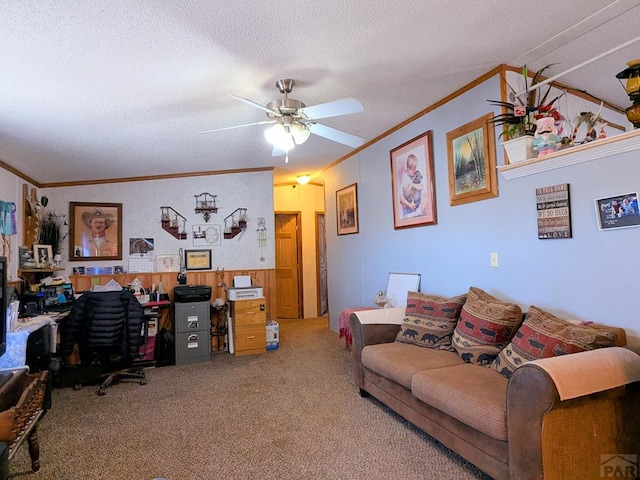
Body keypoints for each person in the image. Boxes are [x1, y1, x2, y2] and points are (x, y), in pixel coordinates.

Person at [399, 154, 424, 218]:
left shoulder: (416, 175)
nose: (414, 171)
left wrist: (412, 185)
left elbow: (421, 187)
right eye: (412, 169)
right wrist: (409, 205)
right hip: (409, 213)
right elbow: (400, 196)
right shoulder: (404, 178)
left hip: (418, 211)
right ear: (408, 168)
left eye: (415, 169)